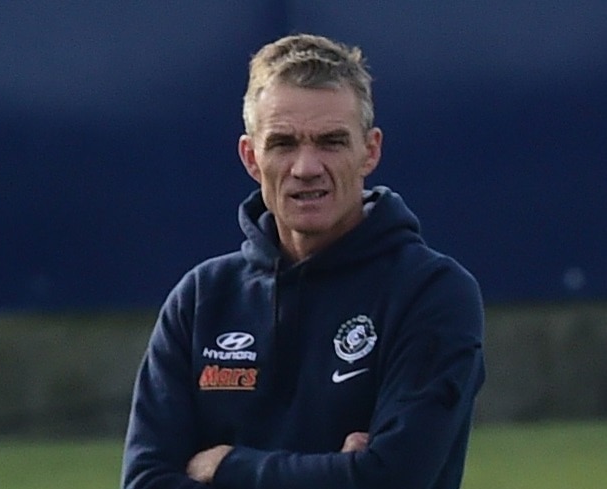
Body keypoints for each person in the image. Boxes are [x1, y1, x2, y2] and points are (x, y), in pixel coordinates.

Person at [121, 33, 485, 489]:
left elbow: (392, 478)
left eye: (331, 141)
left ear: (369, 151)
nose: (306, 167)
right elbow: (146, 481)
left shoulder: (431, 292)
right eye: (283, 143)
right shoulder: (201, 299)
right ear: (251, 158)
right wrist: (337, 474)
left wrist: (228, 466)